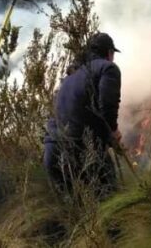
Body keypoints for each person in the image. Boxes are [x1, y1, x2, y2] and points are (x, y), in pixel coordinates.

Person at [43, 32, 122, 197]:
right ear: (109, 53)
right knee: (107, 201)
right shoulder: (107, 68)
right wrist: (112, 131)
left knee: (73, 209)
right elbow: (107, 105)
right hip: (80, 148)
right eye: (113, 53)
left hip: (53, 152)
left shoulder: (69, 77)